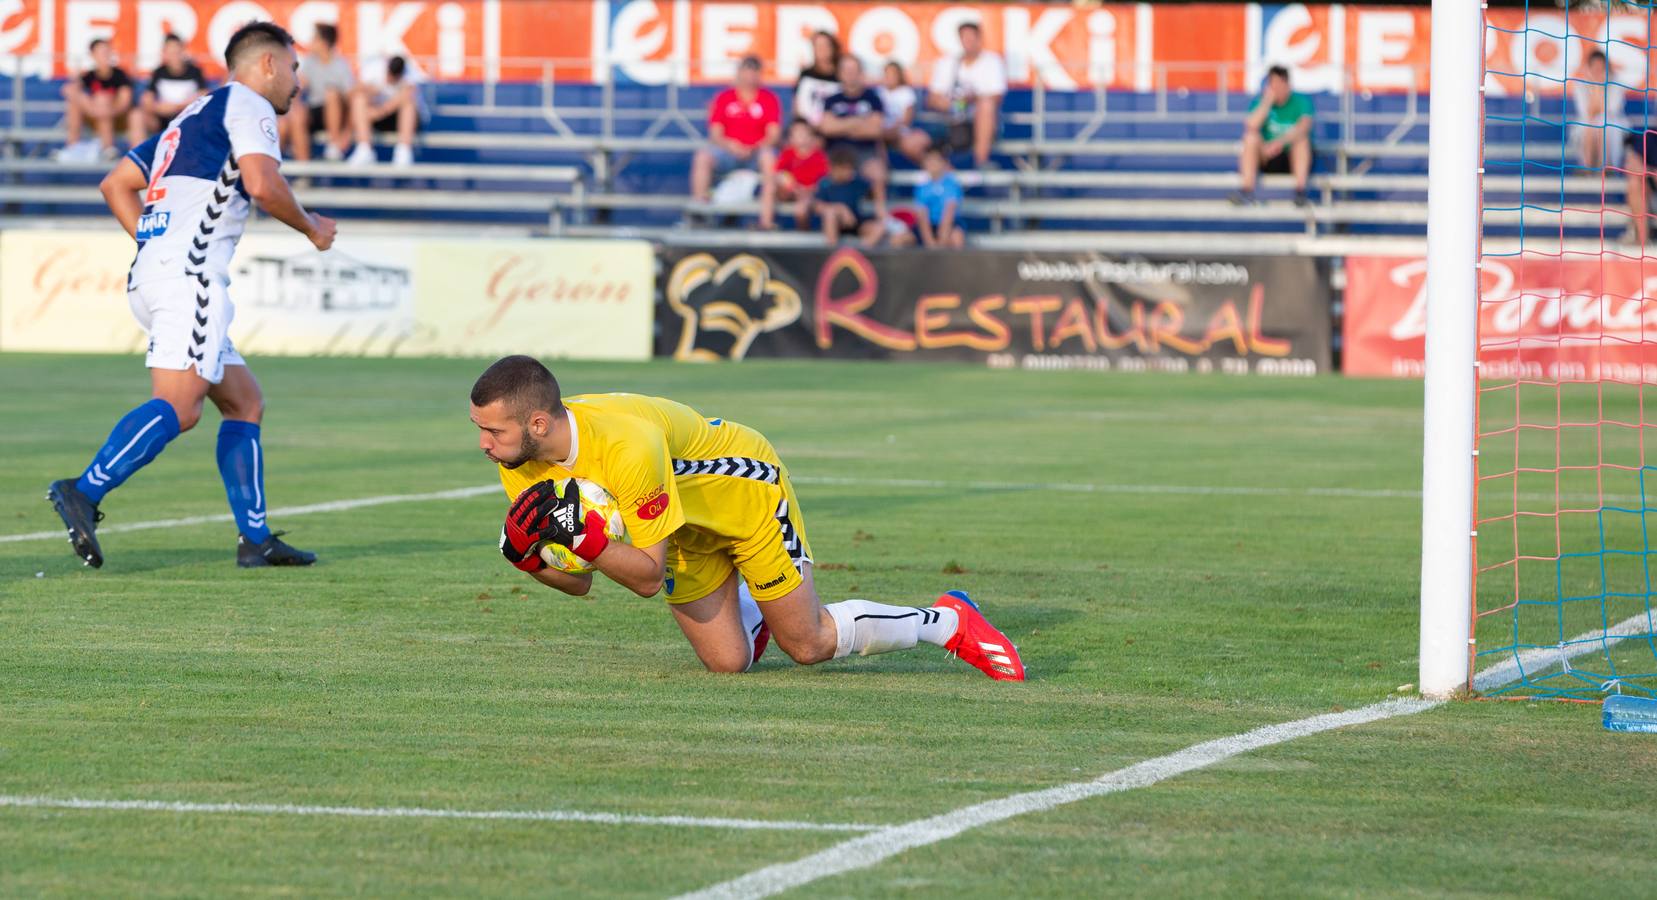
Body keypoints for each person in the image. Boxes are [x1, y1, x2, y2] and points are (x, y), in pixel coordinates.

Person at [469, 355, 1026, 681]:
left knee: (806, 645)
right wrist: (530, 563)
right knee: (728, 663)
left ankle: (947, 621)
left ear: (538, 423)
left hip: (745, 496)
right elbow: (583, 581)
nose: (484, 444)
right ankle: (757, 614)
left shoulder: (625, 445)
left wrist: (581, 539)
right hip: (680, 526)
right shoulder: (520, 461)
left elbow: (640, 577)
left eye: (493, 431)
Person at [45, 22, 337, 570]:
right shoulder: (248, 104)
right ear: (268, 64)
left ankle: (256, 540)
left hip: (160, 271)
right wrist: (312, 227)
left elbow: (115, 184)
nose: (298, 82)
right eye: (294, 69)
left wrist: (158, 248)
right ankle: (84, 490)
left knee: (243, 401)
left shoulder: (192, 115)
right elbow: (263, 184)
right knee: (181, 408)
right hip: (190, 278)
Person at [691, 55, 781, 228]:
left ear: (759, 75)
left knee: (770, 160)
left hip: (756, 154)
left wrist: (754, 147)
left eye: (754, 72)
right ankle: (700, 213)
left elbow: (773, 135)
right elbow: (715, 133)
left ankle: (766, 221)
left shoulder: (768, 98)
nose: (750, 77)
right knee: (703, 157)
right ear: (739, 73)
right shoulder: (724, 97)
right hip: (728, 152)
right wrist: (731, 145)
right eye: (746, 72)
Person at [925, 21, 1005, 169]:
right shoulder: (947, 62)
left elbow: (996, 96)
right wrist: (956, 104)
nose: (968, 41)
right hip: (952, 120)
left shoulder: (992, 61)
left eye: (971, 37)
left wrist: (971, 100)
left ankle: (980, 162)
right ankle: (950, 174)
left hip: (980, 120)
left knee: (986, 106)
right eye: (964, 37)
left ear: (979, 38)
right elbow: (932, 99)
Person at [1232, 64, 1314, 207]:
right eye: (1272, 84)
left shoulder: (1301, 101)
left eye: (1277, 84)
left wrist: (1280, 143)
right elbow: (1251, 125)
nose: (1274, 88)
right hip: (1266, 157)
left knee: (1302, 141)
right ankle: (1246, 190)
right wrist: (1267, 102)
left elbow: (1304, 127)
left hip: (1290, 157)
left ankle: (1300, 192)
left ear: (1287, 84)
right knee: (1250, 138)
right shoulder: (1261, 102)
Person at [819, 55, 889, 219]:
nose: (850, 74)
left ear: (861, 73)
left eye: (854, 70)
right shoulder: (831, 100)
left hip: (865, 153)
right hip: (837, 154)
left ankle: (881, 218)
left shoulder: (873, 98)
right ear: (840, 73)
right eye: (846, 70)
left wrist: (842, 125)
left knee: (878, 173)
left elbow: (875, 130)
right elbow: (827, 128)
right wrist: (858, 122)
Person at [285, 23, 353, 162]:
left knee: (331, 94)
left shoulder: (341, 64)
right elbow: (299, 86)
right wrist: (295, 106)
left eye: (314, 39)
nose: (311, 42)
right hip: (316, 111)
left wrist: (347, 132)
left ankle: (334, 146)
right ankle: (303, 169)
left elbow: (350, 100)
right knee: (297, 115)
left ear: (324, 43)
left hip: (337, 113)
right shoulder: (310, 62)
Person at [59, 39, 133, 162]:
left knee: (102, 99)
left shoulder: (120, 75)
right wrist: (76, 81)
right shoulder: (89, 76)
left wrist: (105, 109)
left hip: (116, 117)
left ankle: (107, 147)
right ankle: (72, 146)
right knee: (74, 103)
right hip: (96, 115)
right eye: (100, 53)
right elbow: (67, 90)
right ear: (93, 55)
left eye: (106, 52)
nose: (104, 56)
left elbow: (125, 102)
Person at [128, 33, 207, 147]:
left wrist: (177, 106)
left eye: (177, 52)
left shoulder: (195, 71)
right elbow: (147, 98)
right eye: (170, 52)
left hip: (187, 118)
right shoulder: (158, 72)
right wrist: (157, 108)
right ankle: (138, 158)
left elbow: (204, 95)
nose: (174, 56)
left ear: (183, 51)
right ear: (164, 53)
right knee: (136, 115)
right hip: (162, 118)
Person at [346, 55, 424, 167]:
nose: (390, 79)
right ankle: (364, 148)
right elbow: (352, 93)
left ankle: (404, 151)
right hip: (377, 116)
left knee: (408, 104)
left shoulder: (410, 74)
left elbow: (407, 95)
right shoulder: (373, 69)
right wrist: (369, 91)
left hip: (399, 119)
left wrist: (380, 112)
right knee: (359, 99)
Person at [813, 147, 884, 246]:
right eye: (845, 168)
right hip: (836, 223)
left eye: (850, 168)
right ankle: (832, 251)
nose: (849, 172)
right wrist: (841, 209)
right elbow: (817, 206)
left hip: (855, 222)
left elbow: (875, 187)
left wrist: (879, 207)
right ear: (834, 168)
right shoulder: (825, 184)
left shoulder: (856, 182)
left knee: (879, 227)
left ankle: (862, 254)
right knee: (830, 214)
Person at [1572, 50, 1626, 171]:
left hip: (1612, 123)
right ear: (1588, 68)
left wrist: (1599, 87)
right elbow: (1588, 113)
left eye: (1601, 68)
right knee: (1590, 123)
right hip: (1588, 124)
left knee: (1603, 122)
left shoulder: (1616, 84)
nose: (1597, 71)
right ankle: (1587, 167)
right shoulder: (1580, 85)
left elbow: (1609, 111)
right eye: (1594, 67)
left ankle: (1606, 167)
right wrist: (1596, 86)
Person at [770, 119, 828, 230]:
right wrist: (794, 187)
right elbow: (779, 173)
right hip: (791, 191)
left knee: (801, 209)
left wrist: (808, 189)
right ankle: (769, 223)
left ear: (811, 136)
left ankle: (804, 234)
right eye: (796, 133)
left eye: (803, 133)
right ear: (791, 138)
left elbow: (823, 180)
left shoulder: (818, 156)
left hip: (810, 194)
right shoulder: (787, 154)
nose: (800, 137)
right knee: (775, 183)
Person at [913, 146, 964, 248]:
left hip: (948, 225)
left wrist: (942, 237)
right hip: (929, 225)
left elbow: (949, 211)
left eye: (936, 160)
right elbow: (922, 215)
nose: (932, 163)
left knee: (956, 237)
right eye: (929, 160)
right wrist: (929, 241)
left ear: (944, 162)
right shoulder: (922, 187)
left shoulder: (951, 184)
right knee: (902, 239)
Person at [793, 30, 842, 128]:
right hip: (808, 129)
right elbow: (797, 106)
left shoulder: (841, 75)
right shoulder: (806, 74)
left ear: (833, 48)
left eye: (825, 45)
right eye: (818, 46)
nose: (821, 49)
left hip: (835, 127)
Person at [878, 60, 924, 163]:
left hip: (899, 132)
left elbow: (907, 119)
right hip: (882, 132)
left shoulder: (906, 92)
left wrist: (894, 127)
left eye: (893, 74)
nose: (890, 77)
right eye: (887, 73)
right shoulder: (879, 92)